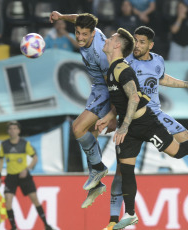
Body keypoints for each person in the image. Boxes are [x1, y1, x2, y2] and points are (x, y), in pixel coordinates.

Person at [101, 25, 188, 230]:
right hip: (131, 118)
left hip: (154, 115)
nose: (137, 45)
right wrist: (113, 117)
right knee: (122, 172)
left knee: (187, 143)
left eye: (142, 42)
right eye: (135, 40)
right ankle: (114, 220)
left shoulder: (158, 60)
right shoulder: (125, 63)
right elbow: (121, 95)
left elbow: (161, 78)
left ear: (150, 45)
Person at [49, 11, 116, 209]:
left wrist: (113, 115)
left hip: (106, 90)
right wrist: (61, 16)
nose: (79, 37)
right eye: (77, 33)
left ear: (93, 34)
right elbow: (78, 17)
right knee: (91, 138)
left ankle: (99, 169)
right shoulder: (89, 31)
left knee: (78, 128)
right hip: (97, 88)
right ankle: (97, 184)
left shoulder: (100, 54)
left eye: (84, 34)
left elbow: (113, 83)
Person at [0, 121, 54, 230]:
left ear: (18, 131)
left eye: (14, 128)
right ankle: (14, 227)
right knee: (7, 201)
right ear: (8, 131)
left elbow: (35, 158)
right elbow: (0, 160)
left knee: (35, 199)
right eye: (10, 129)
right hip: (11, 177)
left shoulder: (24, 144)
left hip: (24, 176)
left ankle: (46, 225)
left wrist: (27, 169)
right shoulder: (4, 145)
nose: (12, 131)